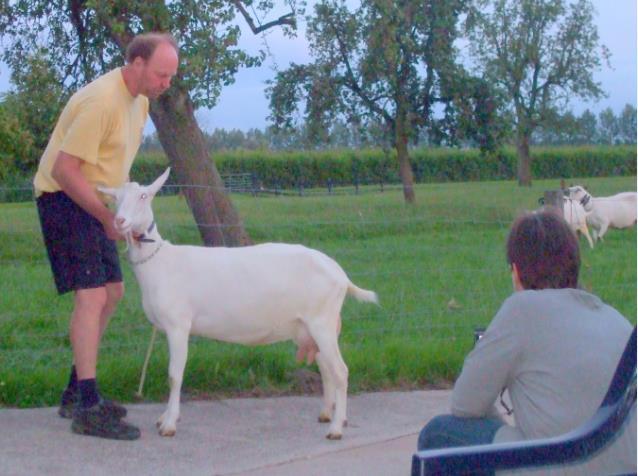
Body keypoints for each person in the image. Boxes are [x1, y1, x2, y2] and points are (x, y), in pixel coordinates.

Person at [34, 32, 179, 440]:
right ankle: (88, 406)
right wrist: (102, 216)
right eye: (161, 74)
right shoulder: (102, 101)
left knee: (112, 292)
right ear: (136, 64)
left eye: (171, 76)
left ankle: (74, 392)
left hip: (95, 203)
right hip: (63, 198)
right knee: (92, 296)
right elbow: (64, 170)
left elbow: (112, 167)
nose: (166, 83)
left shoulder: (140, 103)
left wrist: (123, 215)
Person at [417, 209, 635, 475]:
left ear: (516, 272)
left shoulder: (521, 309)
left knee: (439, 434)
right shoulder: (615, 320)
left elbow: (465, 405)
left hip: (557, 463)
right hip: (623, 468)